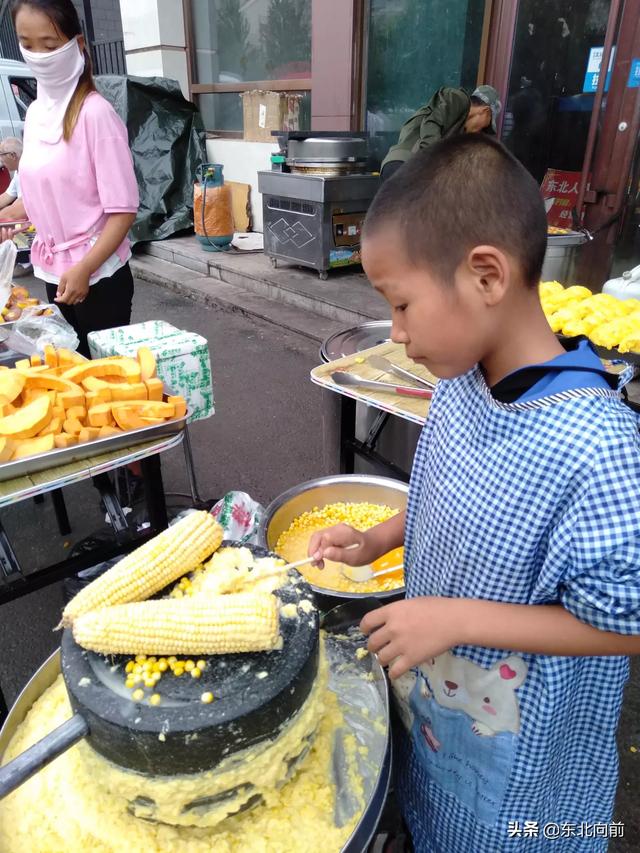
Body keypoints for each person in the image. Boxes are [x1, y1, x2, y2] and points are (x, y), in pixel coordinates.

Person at [309, 135, 640, 852]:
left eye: (400, 306)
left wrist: (456, 618)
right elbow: (445, 491)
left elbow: (625, 622)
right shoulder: (460, 385)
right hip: (442, 705)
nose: (397, 335)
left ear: (486, 274)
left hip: (529, 768)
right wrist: (377, 538)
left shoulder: (598, 447)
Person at [4, 0, 139, 357]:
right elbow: (36, 195)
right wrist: (8, 216)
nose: (38, 56)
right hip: (53, 273)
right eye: (27, 44)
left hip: (98, 275)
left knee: (104, 383)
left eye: (49, 45)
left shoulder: (96, 114)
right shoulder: (34, 114)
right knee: (69, 374)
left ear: (77, 44)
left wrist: (85, 269)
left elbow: (123, 210)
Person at [380, 84, 502, 180]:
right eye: (485, 126)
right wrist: (432, 165)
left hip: (404, 167)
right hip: (406, 165)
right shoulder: (458, 98)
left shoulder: (458, 125)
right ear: (485, 111)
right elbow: (431, 123)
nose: (480, 131)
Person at [0, 137, 27, 221]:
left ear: (12, 155)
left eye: (1, 154)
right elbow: (7, 196)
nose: (1, 162)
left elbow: (21, 203)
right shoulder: (17, 173)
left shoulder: (28, 173)